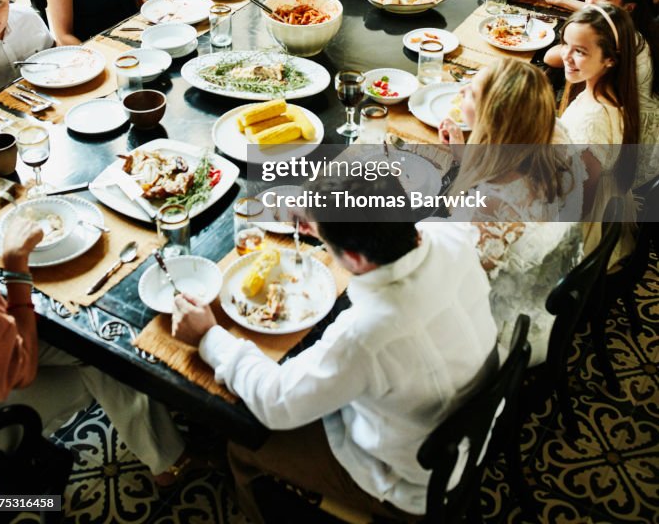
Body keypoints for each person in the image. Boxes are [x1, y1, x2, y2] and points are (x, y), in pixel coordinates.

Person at [172, 182, 497, 523]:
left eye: (325, 240)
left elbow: (276, 401)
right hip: (467, 429)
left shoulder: (366, 335)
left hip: (410, 482)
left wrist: (209, 336)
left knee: (243, 443)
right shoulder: (451, 234)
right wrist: (321, 217)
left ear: (355, 259)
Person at [0, 132, 189, 486]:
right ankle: (171, 464)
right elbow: (21, 369)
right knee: (106, 356)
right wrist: (16, 270)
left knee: (85, 340)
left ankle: (162, 452)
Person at [437, 60, 584, 366]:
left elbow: (453, 286)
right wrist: (465, 155)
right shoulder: (556, 134)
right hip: (551, 291)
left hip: (512, 337)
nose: (462, 90)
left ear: (493, 118)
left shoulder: (491, 209)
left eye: (472, 94)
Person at [542, 0, 659, 184]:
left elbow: (551, 57)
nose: (590, 2)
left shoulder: (622, 42)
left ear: (628, 8)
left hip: (630, 155)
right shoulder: (634, 31)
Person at [558, 5, 639, 265]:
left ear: (610, 59)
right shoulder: (610, 93)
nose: (566, 57)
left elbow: (578, 205)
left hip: (584, 231)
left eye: (580, 51)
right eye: (566, 44)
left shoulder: (592, 122)